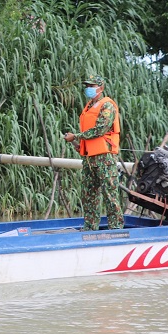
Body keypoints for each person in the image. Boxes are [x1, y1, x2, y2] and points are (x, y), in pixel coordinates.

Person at [63, 74, 124, 231]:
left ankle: (116, 228)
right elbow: (89, 135)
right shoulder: (89, 106)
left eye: (92, 86)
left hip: (105, 158)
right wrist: (79, 144)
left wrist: (75, 136)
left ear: (101, 88)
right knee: (89, 195)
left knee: (110, 194)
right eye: (87, 86)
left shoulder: (107, 106)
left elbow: (100, 130)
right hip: (90, 159)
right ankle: (90, 228)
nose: (89, 89)